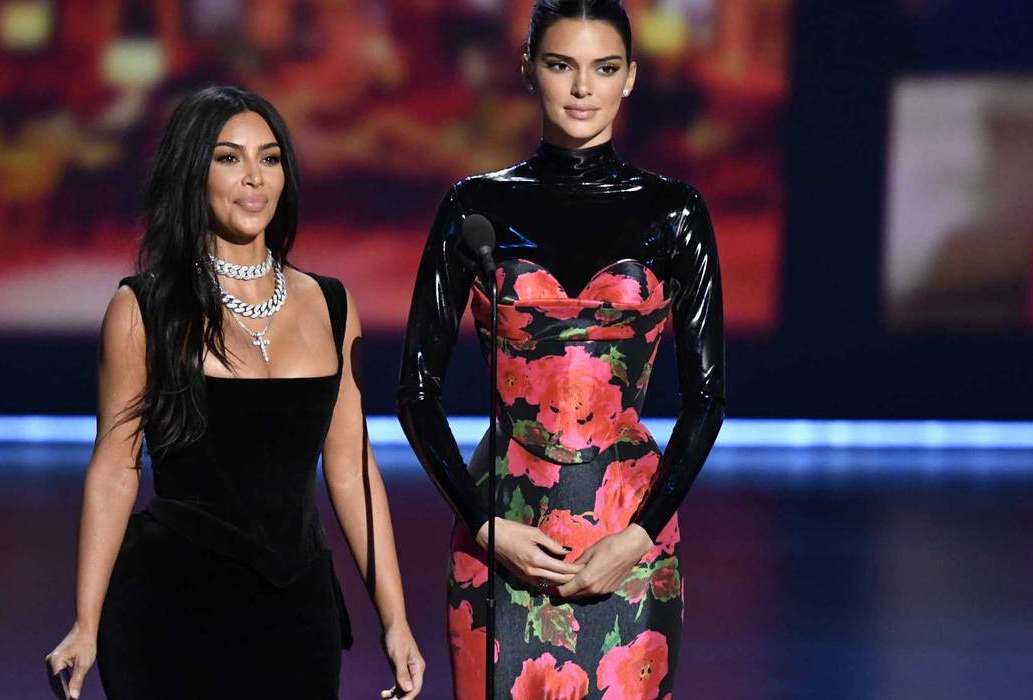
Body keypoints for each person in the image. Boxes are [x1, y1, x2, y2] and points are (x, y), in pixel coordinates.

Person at [45, 86, 425, 699]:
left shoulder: (330, 304)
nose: (254, 179)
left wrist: (396, 620)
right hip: (170, 612)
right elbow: (116, 468)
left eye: (269, 159)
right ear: (193, 172)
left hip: (298, 613)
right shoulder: (144, 308)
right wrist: (86, 624)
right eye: (229, 158)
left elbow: (352, 470)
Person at [397, 1, 724, 697]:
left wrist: (637, 540)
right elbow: (415, 392)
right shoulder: (473, 207)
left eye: (603, 68)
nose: (582, 88)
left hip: (630, 535)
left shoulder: (674, 212)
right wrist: (485, 528)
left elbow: (706, 400)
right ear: (527, 72)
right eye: (560, 65)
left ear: (630, 78)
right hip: (501, 529)